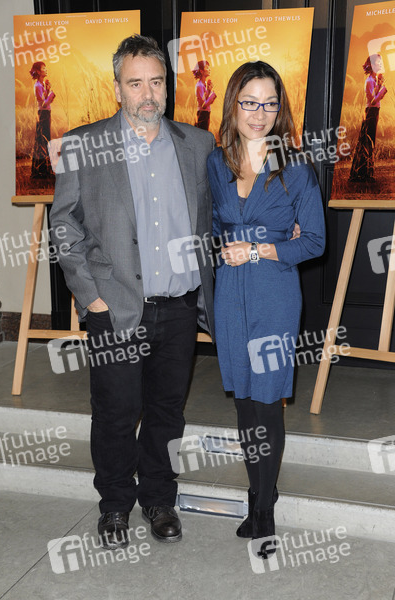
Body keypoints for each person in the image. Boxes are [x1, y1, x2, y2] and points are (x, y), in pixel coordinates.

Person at [50, 35, 215, 549]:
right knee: (115, 414)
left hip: (179, 306)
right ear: (117, 88)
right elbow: (64, 226)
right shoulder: (83, 144)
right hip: (115, 307)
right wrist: (90, 297)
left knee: (168, 412)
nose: (148, 94)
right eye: (136, 83)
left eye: (156, 82)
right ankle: (116, 505)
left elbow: (214, 217)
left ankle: (159, 499)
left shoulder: (198, 145)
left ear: (168, 85)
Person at [207, 61, 325, 557]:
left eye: (270, 104)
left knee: (267, 401)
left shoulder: (295, 168)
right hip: (229, 295)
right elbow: (213, 227)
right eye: (250, 102)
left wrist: (261, 249)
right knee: (243, 401)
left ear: (281, 110)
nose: (259, 114)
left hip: (275, 294)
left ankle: (264, 509)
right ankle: (258, 493)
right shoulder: (216, 164)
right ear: (233, 104)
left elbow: (314, 241)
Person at [349, 53, 387, 183]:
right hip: (370, 112)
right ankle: (362, 174)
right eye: (377, 62)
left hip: (374, 112)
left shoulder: (374, 80)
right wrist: (382, 91)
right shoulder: (369, 81)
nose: (380, 64)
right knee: (367, 142)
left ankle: (366, 173)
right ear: (371, 65)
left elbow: (375, 96)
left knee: (370, 142)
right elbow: (372, 101)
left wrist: (380, 84)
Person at [29, 61, 55, 178]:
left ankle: (45, 169)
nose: (46, 69)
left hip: (46, 113)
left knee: (46, 140)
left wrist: (48, 90)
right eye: (44, 68)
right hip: (43, 114)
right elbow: (43, 104)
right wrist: (51, 95)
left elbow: (45, 100)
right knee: (43, 140)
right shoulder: (37, 86)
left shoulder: (42, 84)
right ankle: (41, 171)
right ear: (38, 72)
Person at [192, 60, 217, 131]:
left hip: (206, 113)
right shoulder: (199, 86)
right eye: (207, 67)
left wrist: (209, 90)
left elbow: (207, 101)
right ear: (201, 71)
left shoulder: (204, 84)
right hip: (202, 114)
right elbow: (203, 105)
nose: (209, 69)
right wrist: (212, 95)